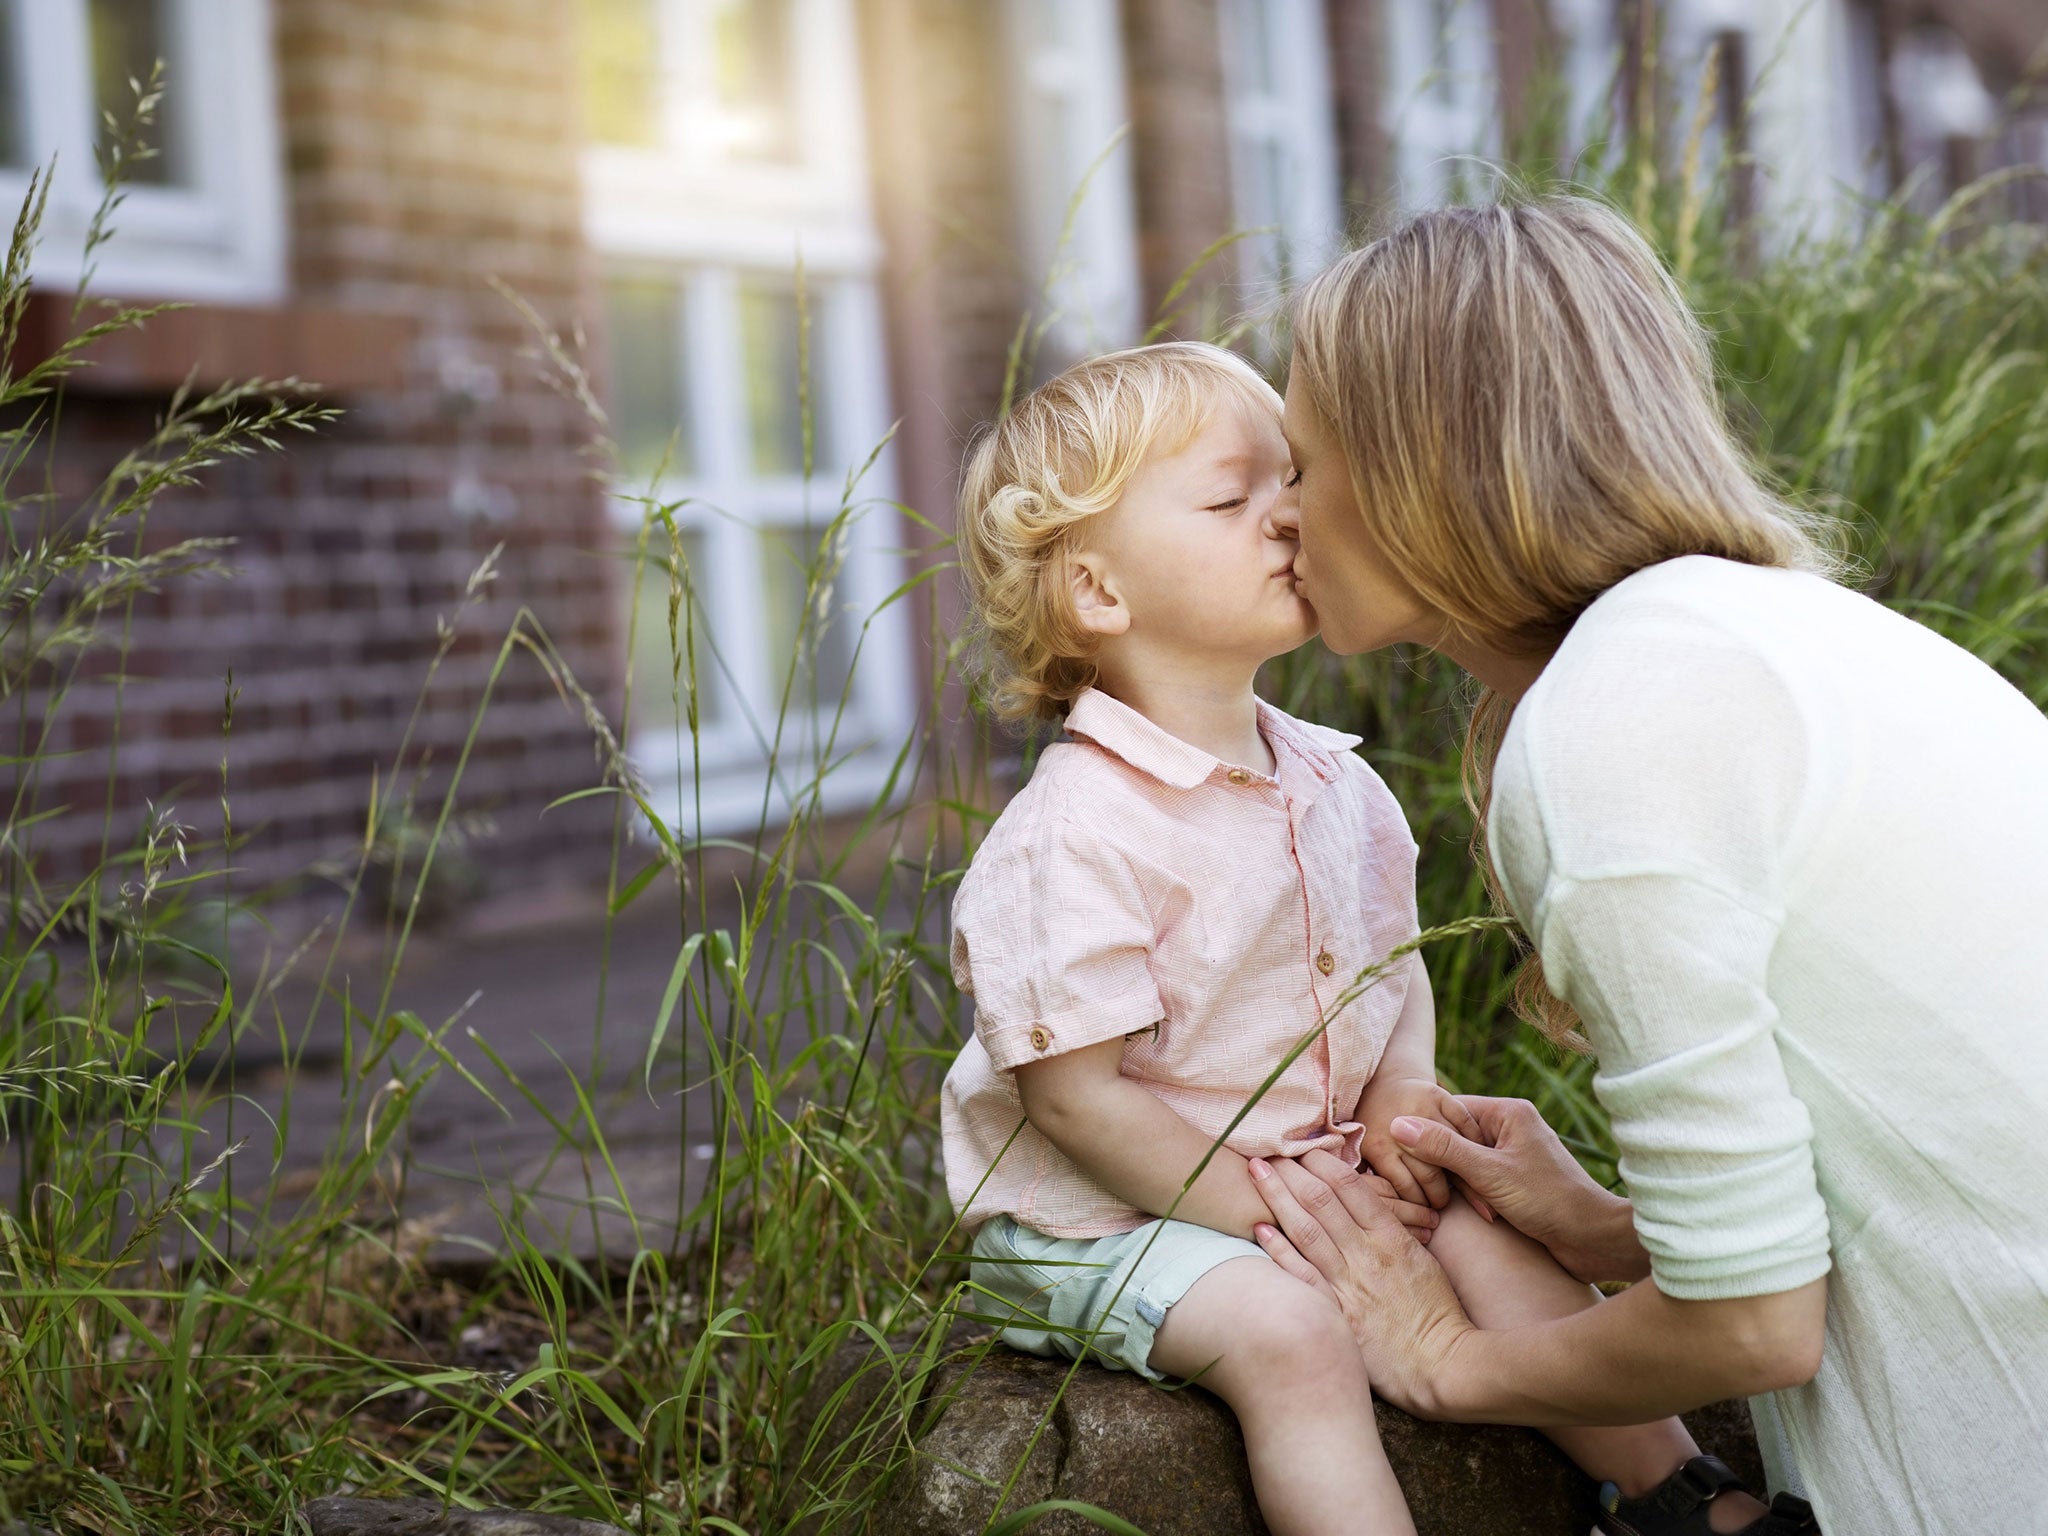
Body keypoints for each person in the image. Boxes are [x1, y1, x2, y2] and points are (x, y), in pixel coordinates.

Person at [1249, 195, 2048, 1536]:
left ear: (1414, 464)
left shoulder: (1619, 722)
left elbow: (1749, 1329)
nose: (1278, 513)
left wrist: (1453, 1362)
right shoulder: (1781, 636)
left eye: (1297, 460)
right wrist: (1618, 1230)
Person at [938, 341, 1769, 1536]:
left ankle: (1688, 1503)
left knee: (1488, 1239)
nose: (1286, 515)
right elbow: (1074, 1099)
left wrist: (1402, 1093)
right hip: (1104, 1219)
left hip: (1311, 1163)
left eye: (1288, 480)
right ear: (1098, 594)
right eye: (1230, 499)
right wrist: (1259, 1216)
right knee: (1292, 1335)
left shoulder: (1332, 780)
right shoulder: (1073, 832)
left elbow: (1391, 968)